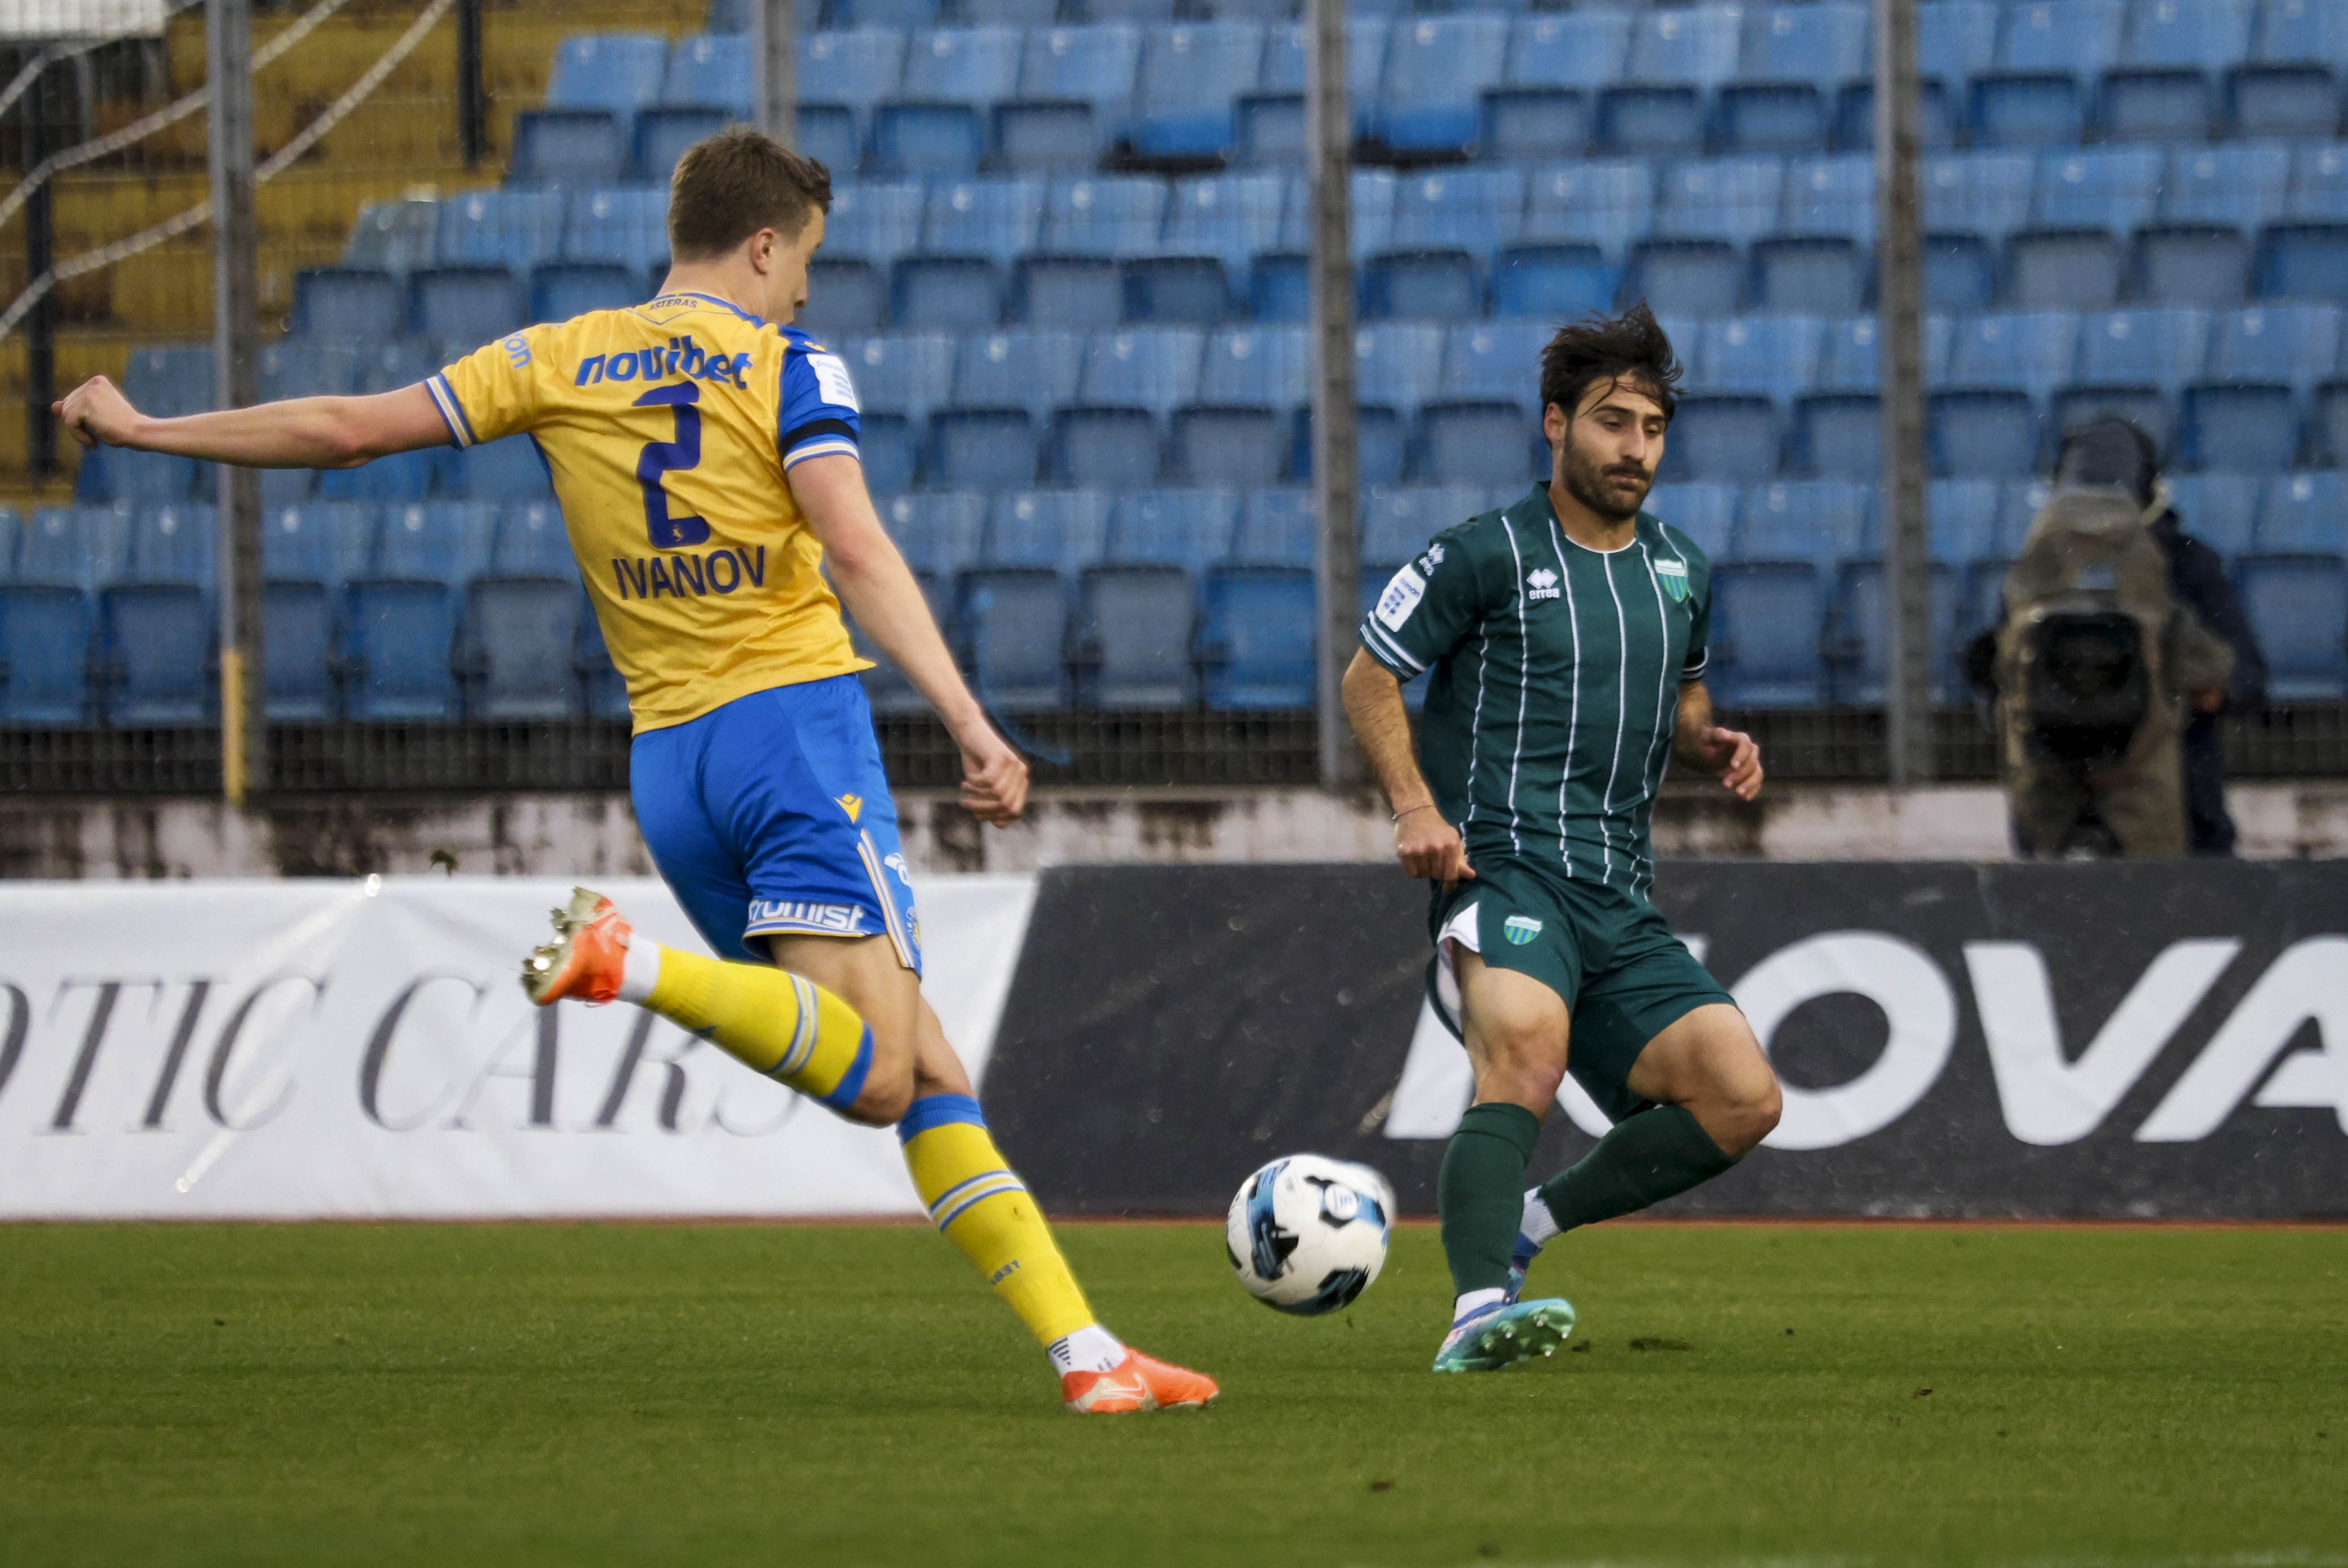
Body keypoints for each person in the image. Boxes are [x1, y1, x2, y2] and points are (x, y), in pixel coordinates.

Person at [52, 127, 1214, 1415]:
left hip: (673, 767)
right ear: (764, 245)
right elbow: (854, 547)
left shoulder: (554, 356)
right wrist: (969, 718)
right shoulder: (788, 363)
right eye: (805, 262)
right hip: (793, 734)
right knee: (886, 1070)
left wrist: (146, 426)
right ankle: (628, 962)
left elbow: (342, 431)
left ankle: (1088, 1354)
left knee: (926, 1068)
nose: (805, 291)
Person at [1342, 305, 1783, 1374]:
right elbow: (1369, 677)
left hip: (1619, 895)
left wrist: (1707, 742)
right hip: (1503, 869)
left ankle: (1528, 1225)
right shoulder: (1482, 552)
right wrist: (1414, 808)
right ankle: (1474, 1310)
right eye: (1612, 422)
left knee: (1742, 1098)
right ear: (1556, 424)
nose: (1635, 448)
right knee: (1526, 1055)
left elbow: (1681, 697)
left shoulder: (1681, 569)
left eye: (1652, 428)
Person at [1993, 419, 2239, 859]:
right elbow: (2229, 675)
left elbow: (1992, 670)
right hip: (2156, 795)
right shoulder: (2184, 565)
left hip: (2052, 784)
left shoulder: (2032, 574)